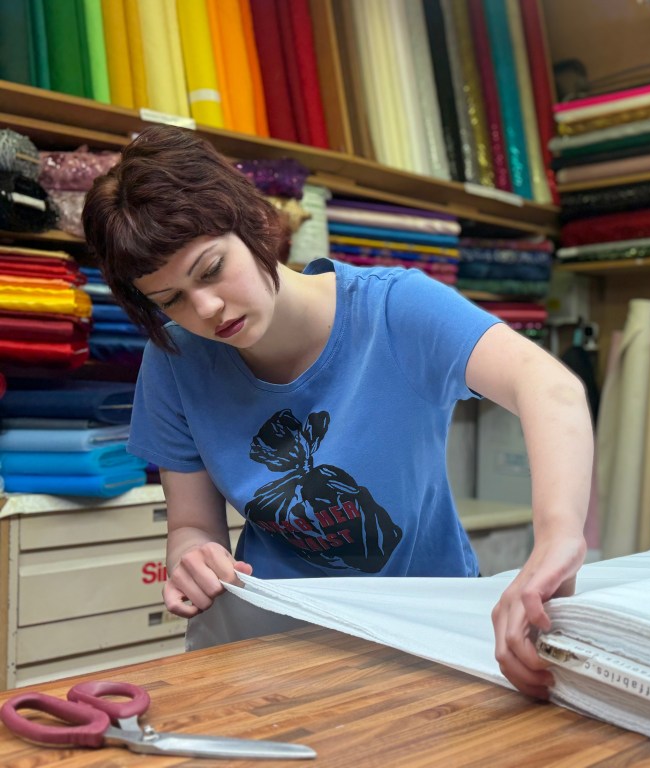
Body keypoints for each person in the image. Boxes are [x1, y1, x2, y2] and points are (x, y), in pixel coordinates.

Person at [82, 125, 593, 700]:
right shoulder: (175, 358)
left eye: (211, 268)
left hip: (426, 632)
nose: (205, 308)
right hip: (274, 643)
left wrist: (556, 536)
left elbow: (549, 387)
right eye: (170, 299)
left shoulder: (394, 309)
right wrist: (192, 557)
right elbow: (194, 526)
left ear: (250, 222)